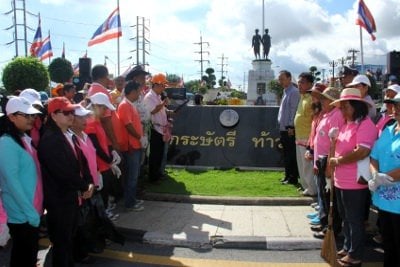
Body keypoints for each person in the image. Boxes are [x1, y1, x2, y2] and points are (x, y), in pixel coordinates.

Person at [38, 97, 94, 267]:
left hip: (70, 197)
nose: (71, 116)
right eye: (66, 112)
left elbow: (82, 162)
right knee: (62, 245)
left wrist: (89, 182)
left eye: (72, 112)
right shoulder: (50, 139)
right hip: (59, 200)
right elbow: (63, 172)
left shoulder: (68, 134)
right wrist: (84, 185)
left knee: (68, 241)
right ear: (54, 115)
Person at [328, 88, 378, 267]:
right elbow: (340, 147)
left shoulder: (365, 125)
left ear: (356, 106)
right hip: (341, 179)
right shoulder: (345, 124)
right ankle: (349, 246)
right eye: (341, 107)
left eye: (345, 107)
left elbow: (362, 151)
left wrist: (338, 160)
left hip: (355, 182)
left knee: (355, 219)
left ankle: (355, 253)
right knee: (345, 216)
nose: (342, 111)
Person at [0, 97, 43, 266]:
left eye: (32, 115)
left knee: (29, 254)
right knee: (22, 256)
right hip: (22, 214)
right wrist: (30, 212)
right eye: (25, 115)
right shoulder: (5, 143)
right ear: (11, 117)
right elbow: (12, 182)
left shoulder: (24, 138)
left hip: (31, 211)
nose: (31, 118)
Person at [308, 86, 344, 238]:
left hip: (328, 159)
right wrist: (316, 162)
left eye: (325, 99)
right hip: (321, 159)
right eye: (322, 98)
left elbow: (333, 142)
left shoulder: (336, 115)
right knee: (323, 194)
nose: (322, 101)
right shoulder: (326, 115)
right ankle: (324, 223)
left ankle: (331, 228)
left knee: (329, 197)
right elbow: (319, 139)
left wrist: (328, 163)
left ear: (333, 101)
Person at [369, 93, 400, 267]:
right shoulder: (388, 130)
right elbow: (374, 156)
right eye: (393, 105)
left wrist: (385, 177)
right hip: (384, 200)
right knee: (388, 246)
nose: (395, 108)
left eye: (399, 105)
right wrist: (375, 175)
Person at [85, 93, 122, 220]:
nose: (105, 111)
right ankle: (102, 216)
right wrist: (109, 161)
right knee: (101, 193)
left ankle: (105, 213)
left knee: (105, 191)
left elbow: (103, 142)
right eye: (104, 108)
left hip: (104, 164)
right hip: (99, 165)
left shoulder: (96, 121)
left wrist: (111, 152)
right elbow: (95, 147)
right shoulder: (89, 123)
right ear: (96, 106)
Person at [117, 81, 145, 211]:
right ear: (132, 92)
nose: (139, 94)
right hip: (131, 146)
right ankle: (130, 203)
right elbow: (128, 125)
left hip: (136, 144)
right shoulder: (124, 105)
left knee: (134, 175)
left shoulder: (129, 104)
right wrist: (140, 137)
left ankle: (131, 199)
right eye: (138, 91)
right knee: (132, 176)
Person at [143, 73, 170, 183]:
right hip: (154, 129)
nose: (164, 88)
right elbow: (152, 111)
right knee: (154, 154)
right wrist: (163, 104)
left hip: (161, 129)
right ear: (156, 85)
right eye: (163, 85)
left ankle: (157, 174)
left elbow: (160, 111)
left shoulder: (158, 97)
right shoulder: (149, 97)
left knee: (159, 154)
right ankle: (153, 177)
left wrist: (169, 112)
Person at [88, 65, 121, 152]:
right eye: (107, 76)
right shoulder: (101, 91)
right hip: (106, 141)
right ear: (104, 77)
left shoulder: (93, 88)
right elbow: (106, 119)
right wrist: (114, 142)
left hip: (103, 138)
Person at [294, 72, 316, 196]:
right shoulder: (302, 97)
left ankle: (312, 190)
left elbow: (314, 119)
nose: (299, 85)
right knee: (302, 165)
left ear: (310, 84)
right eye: (298, 82)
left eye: (302, 82)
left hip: (307, 138)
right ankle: (305, 186)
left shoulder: (312, 98)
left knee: (307, 166)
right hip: (299, 136)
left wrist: (311, 139)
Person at [277, 70, 300, 185]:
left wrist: (291, 126)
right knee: (285, 153)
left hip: (289, 129)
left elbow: (293, 110)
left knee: (291, 154)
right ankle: (287, 175)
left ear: (289, 78)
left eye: (282, 79)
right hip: (283, 128)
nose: (280, 81)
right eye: (279, 79)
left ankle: (292, 177)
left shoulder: (294, 92)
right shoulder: (285, 91)